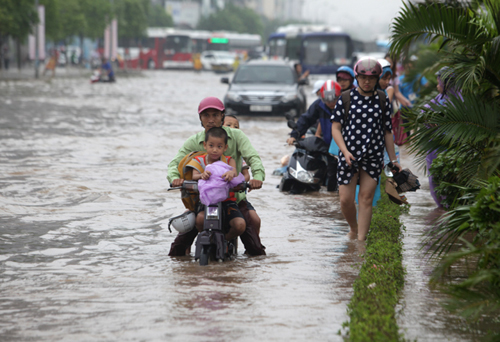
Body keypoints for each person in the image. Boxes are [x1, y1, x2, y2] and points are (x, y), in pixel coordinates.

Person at [167, 97, 266, 256]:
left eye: (215, 115)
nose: (211, 119)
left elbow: (253, 157)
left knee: (256, 250)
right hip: (204, 200)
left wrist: (258, 177)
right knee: (176, 252)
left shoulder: (237, 136)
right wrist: (174, 178)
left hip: (234, 197)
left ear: (222, 116)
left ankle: (231, 244)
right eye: (206, 116)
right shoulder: (193, 141)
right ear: (200, 119)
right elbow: (175, 163)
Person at [331, 57, 402, 240]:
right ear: (357, 77)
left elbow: (387, 132)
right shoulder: (345, 98)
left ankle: (361, 242)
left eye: (371, 78)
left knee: (366, 198)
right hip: (349, 156)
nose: (367, 81)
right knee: (346, 200)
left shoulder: (382, 99)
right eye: (363, 77)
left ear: (378, 78)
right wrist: (344, 151)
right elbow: (336, 128)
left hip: (373, 157)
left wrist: (393, 161)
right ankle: (353, 229)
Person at [187, 127, 246, 241]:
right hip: (208, 202)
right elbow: (193, 176)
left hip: (227, 202)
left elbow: (234, 172)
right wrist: (202, 175)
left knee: (240, 225)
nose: (215, 150)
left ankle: (226, 239)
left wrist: (230, 173)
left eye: (219, 146)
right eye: (211, 145)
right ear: (205, 145)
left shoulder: (229, 160)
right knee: (199, 219)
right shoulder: (199, 160)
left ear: (225, 148)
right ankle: (204, 238)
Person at [287, 80, 342, 191]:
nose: (331, 103)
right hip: (329, 148)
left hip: (345, 147)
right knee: (331, 176)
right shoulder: (319, 105)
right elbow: (306, 119)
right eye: (327, 100)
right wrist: (295, 135)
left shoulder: (346, 105)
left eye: (334, 100)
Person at [426, 67, 462, 207]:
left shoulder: (459, 101)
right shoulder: (439, 98)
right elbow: (425, 111)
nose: (437, 86)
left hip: (452, 149)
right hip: (435, 150)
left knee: (451, 179)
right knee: (435, 178)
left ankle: (450, 207)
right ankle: (441, 207)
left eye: (439, 83)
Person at [223, 115, 262, 235]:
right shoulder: (208, 153)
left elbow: (246, 175)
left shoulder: (238, 156)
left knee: (255, 220)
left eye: (236, 126)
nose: (233, 128)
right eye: (228, 125)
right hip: (211, 197)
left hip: (236, 196)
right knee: (189, 221)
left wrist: (241, 183)